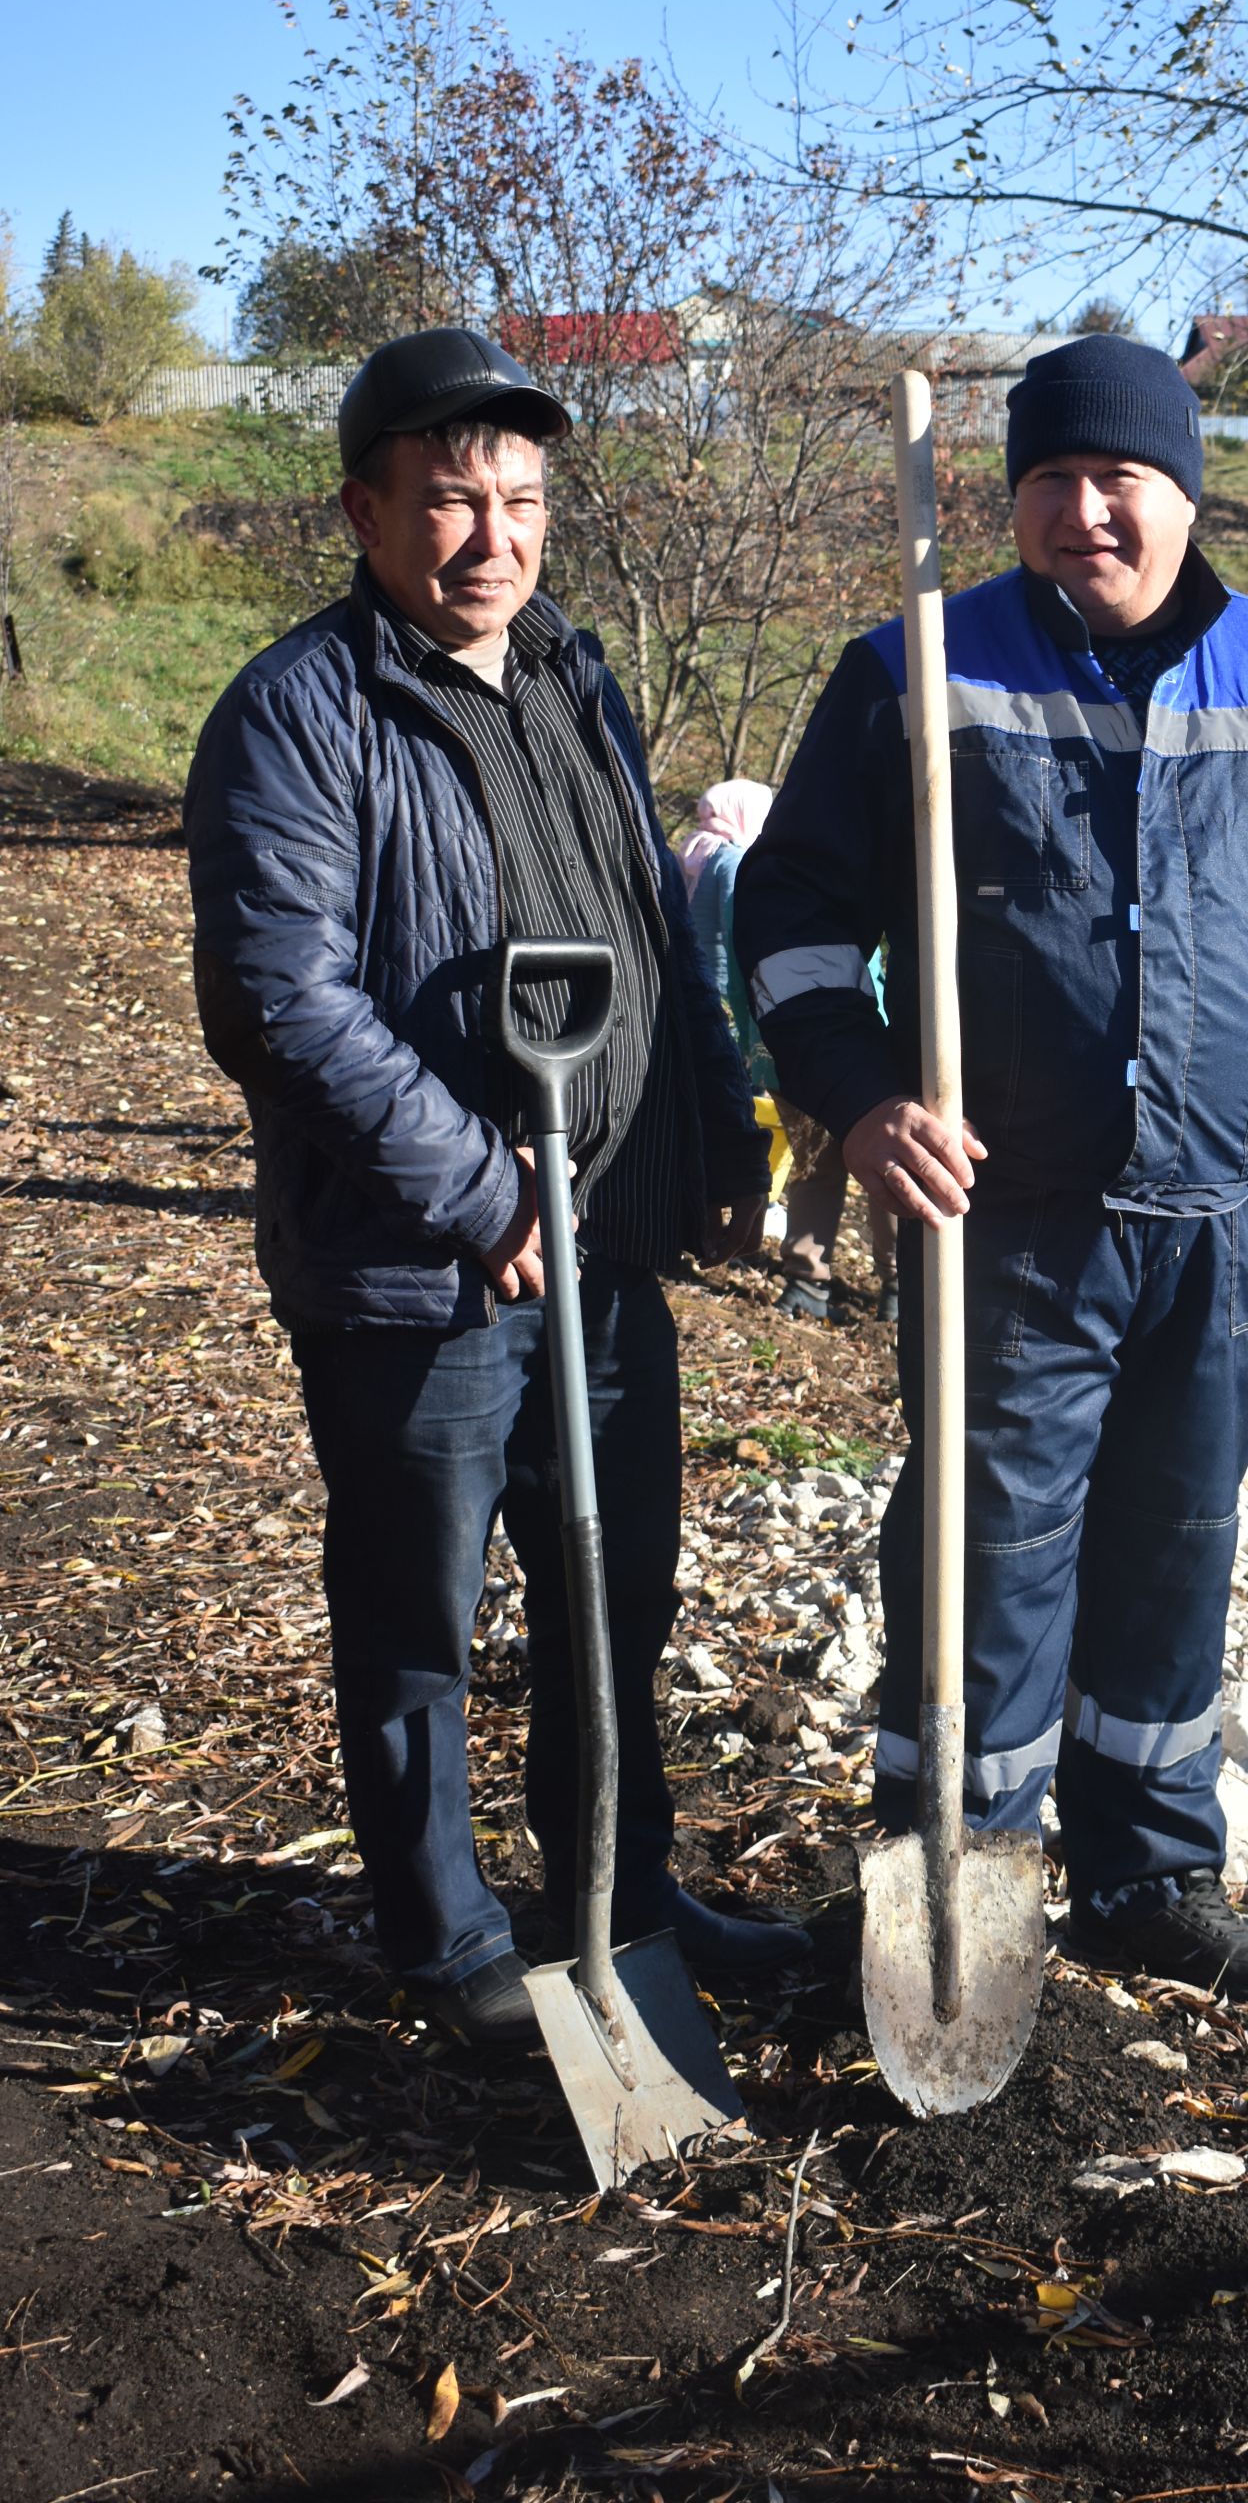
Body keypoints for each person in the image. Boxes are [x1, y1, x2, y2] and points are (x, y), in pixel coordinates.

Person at [734, 332, 1248, 2000]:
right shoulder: (916, 669)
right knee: (985, 1554)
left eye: (1119, 481)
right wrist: (856, 1097)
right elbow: (791, 921)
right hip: (1008, 1220)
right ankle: (952, 1877)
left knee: (1175, 1538)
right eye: (1050, 482)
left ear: (1184, 495)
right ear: (1014, 498)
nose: (1084, 516)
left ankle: (1147, 1873)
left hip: (1223, 1217)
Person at [185, 327, 804, 2048]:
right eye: (452, 502)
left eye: (521, 502)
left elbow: (649, 929)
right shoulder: (300, 712)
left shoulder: (569, 676)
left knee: (619, 1589)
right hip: (425, 1265)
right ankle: (439, 1929)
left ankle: (619, 1890)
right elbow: (279, 1002)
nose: (492, 539)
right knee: (419, 1615)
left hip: (601, 1251)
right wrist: (486, 1197)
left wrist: (693, 1149)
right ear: (365, 511)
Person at [681, 780, 899, 1324]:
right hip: (822, 1040)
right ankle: (874, 1282)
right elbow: (739, 963)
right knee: (850, 1162)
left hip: (795, 1041)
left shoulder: (724, 863)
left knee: (827, 1163)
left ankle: (826, 1278)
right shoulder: (757, 869)